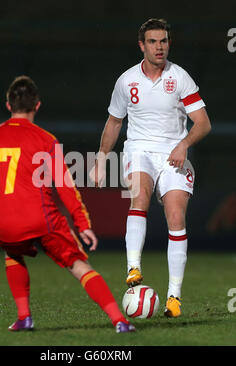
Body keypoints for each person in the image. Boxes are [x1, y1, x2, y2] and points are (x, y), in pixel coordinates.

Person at [0, 75, 135, 333]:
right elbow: (64, 185)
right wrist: (81, 222)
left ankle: (24, 317)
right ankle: (119, 320)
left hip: (6, 224)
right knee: (79, 265)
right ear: (37, 105)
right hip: (44, 219)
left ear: (8, 105)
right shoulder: (45, 140)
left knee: (13, 253)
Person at [90, 18, 211, 317]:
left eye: (164, 41)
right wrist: (102, 158)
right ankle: (134, 267)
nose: (160, 47)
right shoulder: (126, 81)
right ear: (141, 45)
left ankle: (174, 297)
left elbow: (204, 123)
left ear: (169, 43)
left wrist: (183, 144)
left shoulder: (180, 77)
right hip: (139, 149)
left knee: (175, 215)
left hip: (173, 153)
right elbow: (114, 122)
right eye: (153, 42)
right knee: (140, 196)